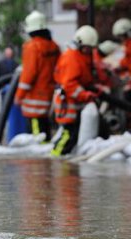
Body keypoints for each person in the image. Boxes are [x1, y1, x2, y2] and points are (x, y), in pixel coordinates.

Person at [51, 25, 100, 156]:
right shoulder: (71, 58)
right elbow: (70, 85)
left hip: (72, 102)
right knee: (67, 133)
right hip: (67, 102)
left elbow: (85, 77)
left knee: (72, 134)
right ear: (80, 44)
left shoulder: (80, 56)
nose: (89, 51)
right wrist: (85, 95)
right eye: (87, 48)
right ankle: (56, 158)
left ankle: (63, 161)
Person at [14, 10, 60, 142]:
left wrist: (19, 95)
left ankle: (38, 162)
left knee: (36, 137)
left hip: (33, 99)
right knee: (44, 129)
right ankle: (45, 157)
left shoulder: (32, 47)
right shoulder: (54, 46)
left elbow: (29, 74)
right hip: (48, 95)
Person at [112, 18, 131, 101]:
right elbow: (127, 61)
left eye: (122, 36)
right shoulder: (128, 46)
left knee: (127, 94)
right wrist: (119, 67)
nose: (121, 39)